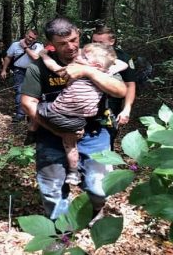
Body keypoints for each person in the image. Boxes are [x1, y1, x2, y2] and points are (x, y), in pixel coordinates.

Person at [20, 17, 126, 221]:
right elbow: (28, 103)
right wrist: (58, 131)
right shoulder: (39, 67)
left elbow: (120, 90)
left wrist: (87, 71)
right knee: (52, 188)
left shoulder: (96, 57)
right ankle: (60, 231)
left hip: (95, 132)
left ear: (78, 33)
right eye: (62, 43)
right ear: (51, 43)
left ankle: (96, 213)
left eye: (74, 39)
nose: (70, 47)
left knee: (99, 186)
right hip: (52, 133)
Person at [30, 43, 128, 185]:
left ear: (96, 65)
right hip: (82, 119)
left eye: (83, 56)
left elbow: (53, 66)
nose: (78, 55)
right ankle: (74, 173)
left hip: (59, 114)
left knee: (39, 108)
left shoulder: (75, 72)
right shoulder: (105, 74)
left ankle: (72, 171)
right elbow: (123, 64)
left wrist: (44, 55)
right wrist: (104, 63)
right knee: (71, 146)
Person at [91, 25, 137, 148]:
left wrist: (126, 109)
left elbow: (130, 85)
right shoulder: (87, 54)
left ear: (112, 41)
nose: (96, 46)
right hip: (87, 103)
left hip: (110, 105)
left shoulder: (123, 58)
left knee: (107, 137)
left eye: (101, 42)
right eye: (94, 42)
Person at [1, 29, 44, 122]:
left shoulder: (38, 46)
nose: (30, 39)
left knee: (32, 92)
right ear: (26, 35)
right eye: (29, 36)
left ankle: (30, 113)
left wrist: (25, 47)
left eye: (33, 38)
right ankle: (20, 114)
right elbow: (8, 57)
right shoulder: (15, 45)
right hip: (18, 70)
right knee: (19, 90)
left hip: (33, 71)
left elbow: (36, 57)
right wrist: (4, 70)